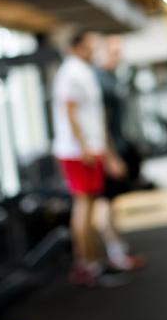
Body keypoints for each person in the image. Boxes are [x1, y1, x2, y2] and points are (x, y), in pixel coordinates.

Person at [51, 30, 129, 287]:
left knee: (91, 205)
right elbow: (70, 112)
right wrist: (84, 147)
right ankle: (86, 264)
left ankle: (95, 261)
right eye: (89, 47)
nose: (93, 51)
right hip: (77, 152)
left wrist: (106, 152)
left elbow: (94, 117)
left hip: (90, 149)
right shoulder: (71, 73)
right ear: (76, 47)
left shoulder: (85, 71)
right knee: (84, 207)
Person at [93, 35, 146, 272]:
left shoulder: (111, 79)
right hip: (105, 152)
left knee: (111, 203)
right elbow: (100, 124)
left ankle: (117, 247)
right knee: (104, 204)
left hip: (117, 146)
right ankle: (113, 253)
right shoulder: (100, 82)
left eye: (119, 52)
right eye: (114, 52)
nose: (118, 56)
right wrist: (110, 156)